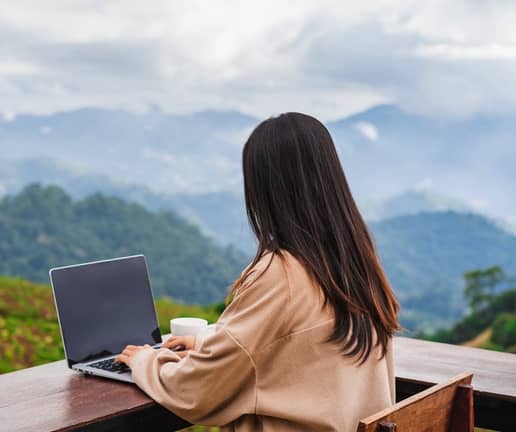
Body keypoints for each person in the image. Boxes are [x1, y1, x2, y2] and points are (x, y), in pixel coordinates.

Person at [115, 112, 400, 431]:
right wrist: (209, 343)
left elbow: (198, 390)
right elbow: (301, 350)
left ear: (263, 190)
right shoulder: (357, 264)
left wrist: (145, 361)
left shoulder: (282, 273)